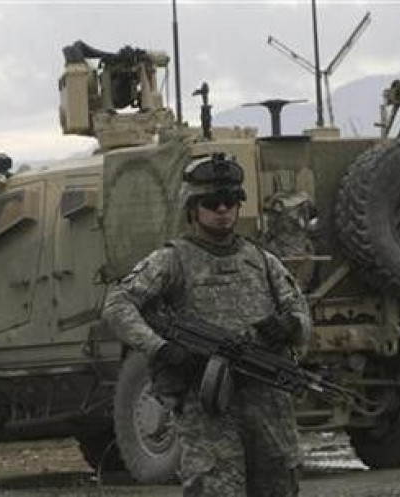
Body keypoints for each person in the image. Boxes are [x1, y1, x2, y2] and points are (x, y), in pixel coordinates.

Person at [103, 152, 312, 496]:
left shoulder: (261, 260)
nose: (222, 210)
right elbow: (118, 304)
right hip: (209, 407)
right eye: (212, 202)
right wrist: (161, 348)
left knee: (280, 485)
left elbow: (301, 313)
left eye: (230, 201)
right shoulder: (172, 261)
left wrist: (290, 325)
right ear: (193, 208)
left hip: (267, 404)